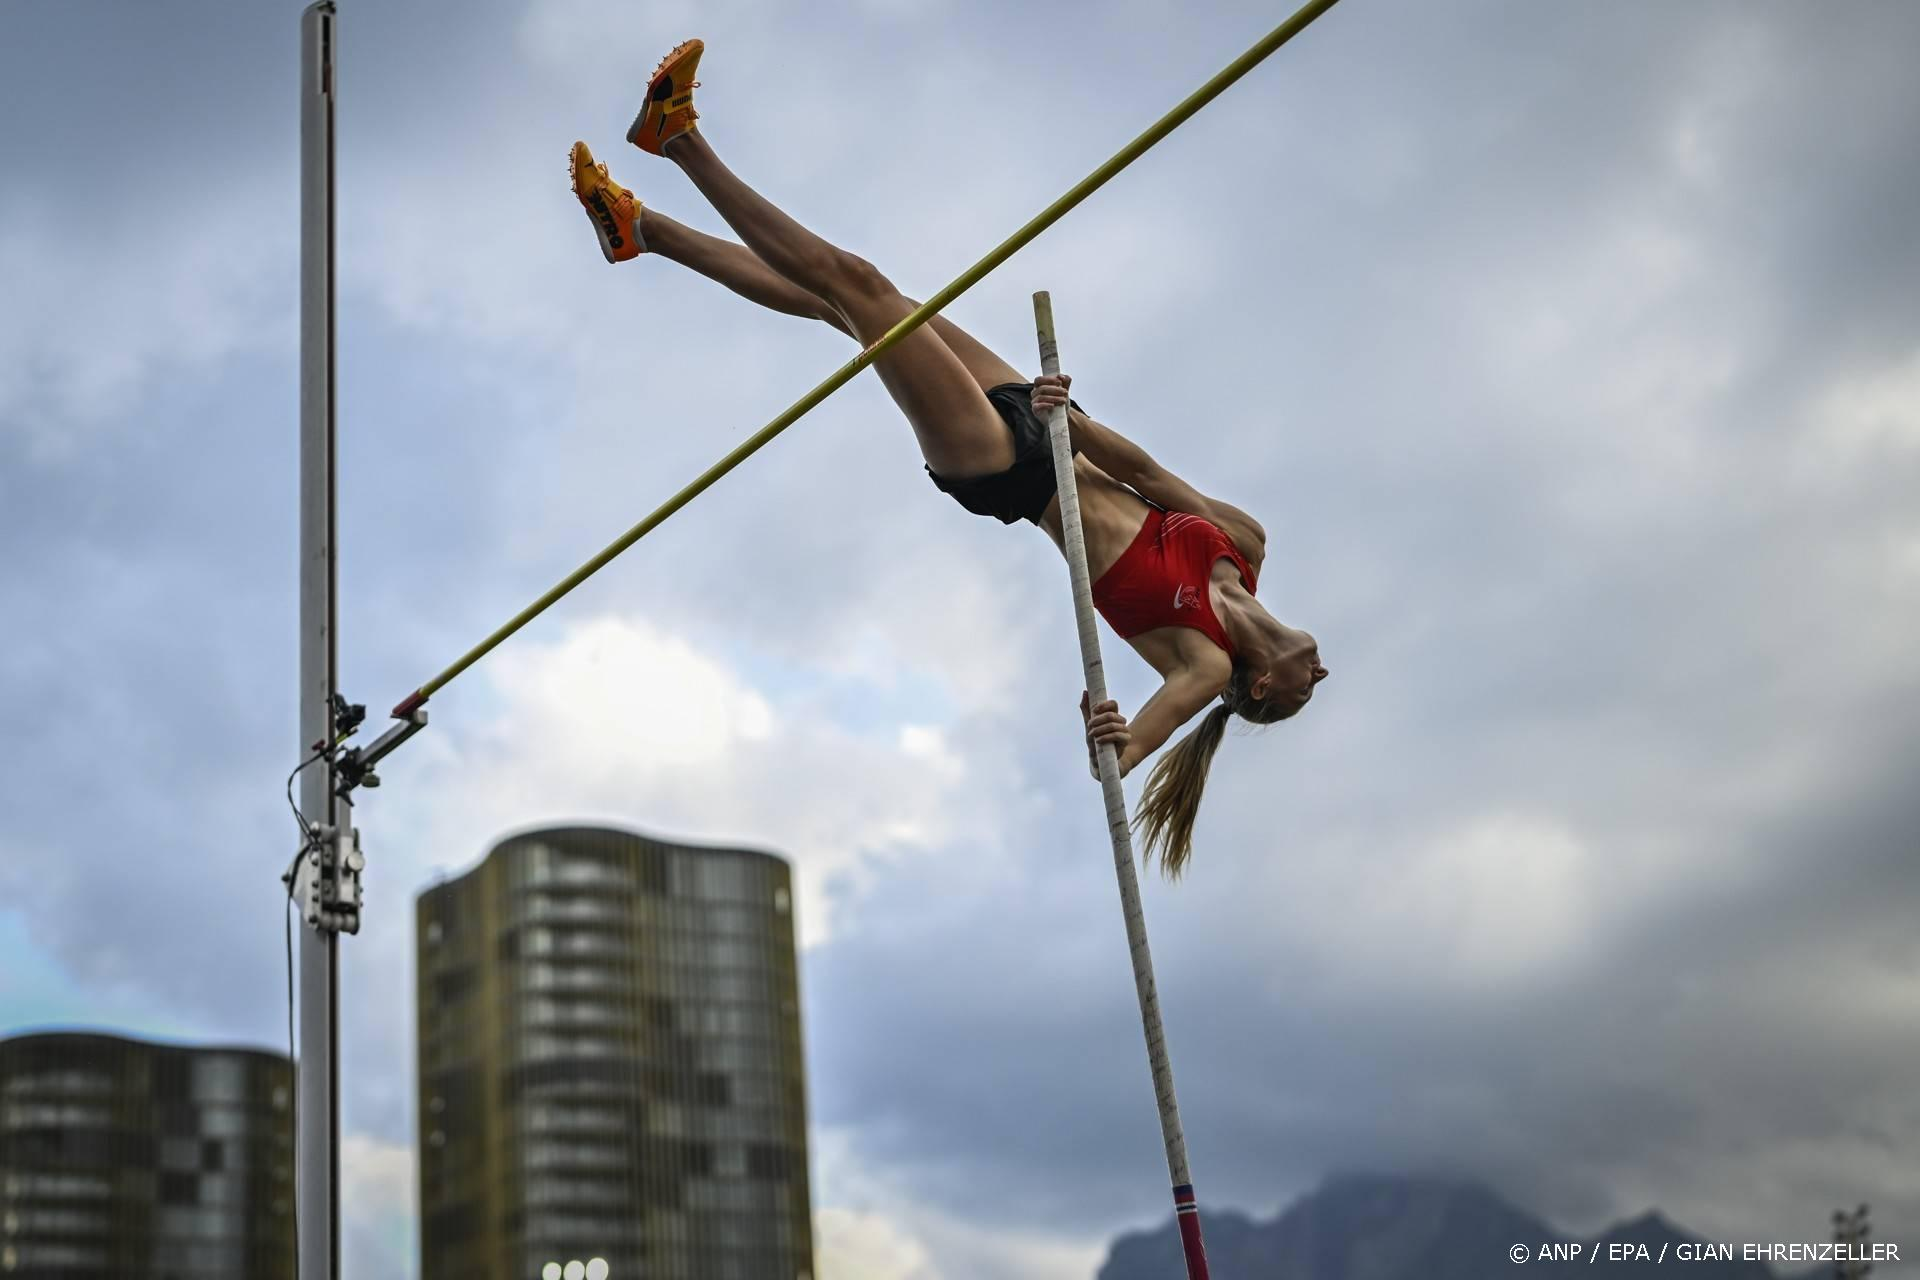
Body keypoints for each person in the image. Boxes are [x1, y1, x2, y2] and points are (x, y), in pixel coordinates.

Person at [569, 39, 1328, 875]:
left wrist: (1108, 736)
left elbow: (1117, 761)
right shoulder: (1246, 546)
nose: (1320, 675)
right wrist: (1071, 417)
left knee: (859, 288)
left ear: (1259, 688)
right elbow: (1148, 476)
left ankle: (676, 140)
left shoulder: (1203, 662)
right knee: (852, 308)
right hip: (1051, 425)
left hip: (1006, 471)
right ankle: (641, 231)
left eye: (1301, 693)